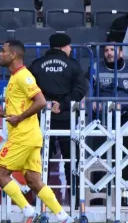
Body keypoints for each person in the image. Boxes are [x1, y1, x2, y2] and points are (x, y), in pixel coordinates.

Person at [0, 40, 75, 223]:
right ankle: (63, 217)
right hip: (30, 135)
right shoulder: (15, 77)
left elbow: (41, 102)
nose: (0, 54)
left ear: (14, 55)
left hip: (22, 136)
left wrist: (19, 117)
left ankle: (28, 211)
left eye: (3, 51)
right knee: (33, 179)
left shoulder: (24, 77)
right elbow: (19, 108)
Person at [28, 33, 87, 203]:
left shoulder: (37, 65)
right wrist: (63, 104)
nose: (70, 50)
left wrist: (46, 103)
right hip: (65, 118)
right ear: (63, 47)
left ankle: (39, 202)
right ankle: (75, 201)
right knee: (71, 160)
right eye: (69, 47)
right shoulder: (73, 65)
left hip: (40, 118)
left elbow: (30, 89)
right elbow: (80, 89)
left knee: (39, 161)